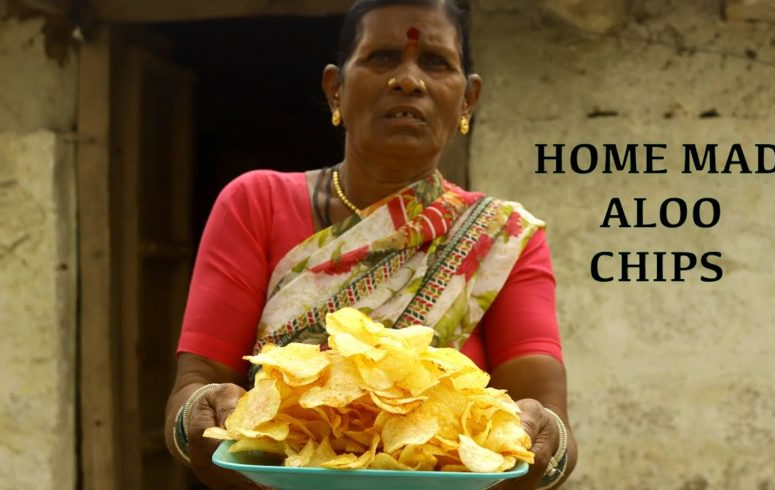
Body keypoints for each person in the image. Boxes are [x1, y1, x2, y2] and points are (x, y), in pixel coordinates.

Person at [164, 0, 578, 488]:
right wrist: (201, 413)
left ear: (467, 100)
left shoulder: (502, 238)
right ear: (335, 88)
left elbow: (551, 426)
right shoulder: (257, 204)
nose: (408, 80)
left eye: (435, 62)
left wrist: (540, 436)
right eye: (382, 58)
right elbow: (195, 388)